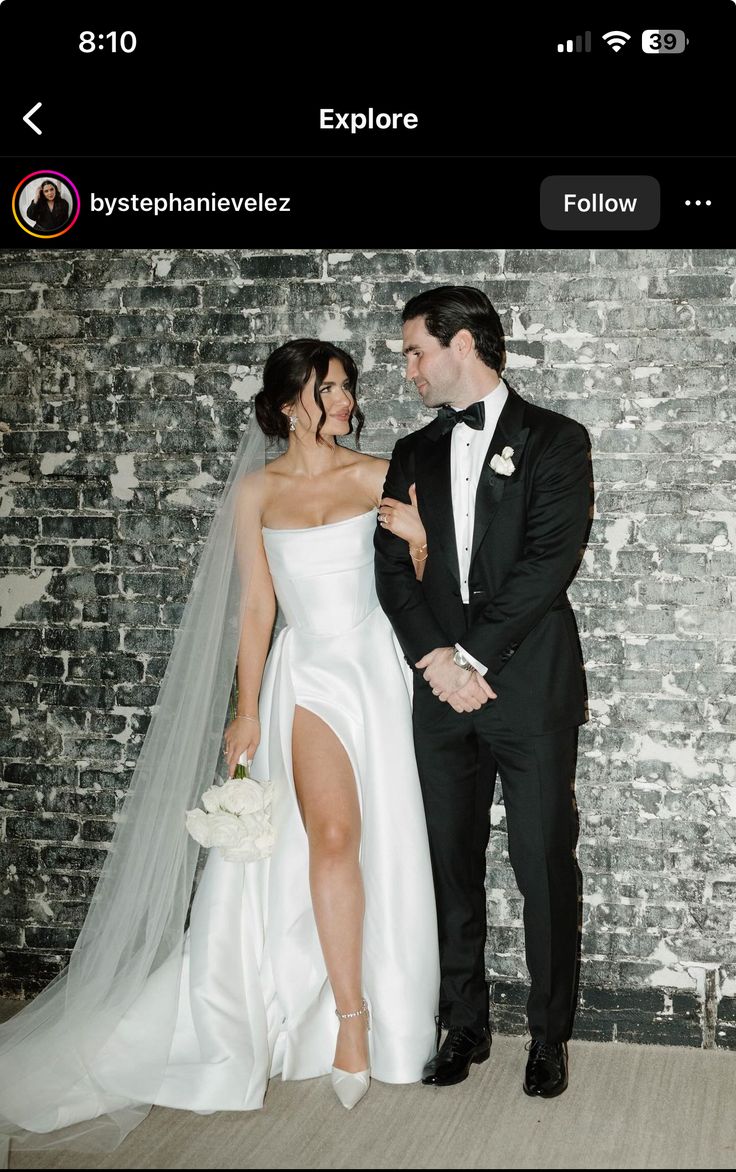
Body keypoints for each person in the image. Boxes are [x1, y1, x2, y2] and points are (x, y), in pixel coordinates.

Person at [0, 339, 439, 1160]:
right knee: (332, 838)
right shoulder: (256, 492)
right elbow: (256, 613)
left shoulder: (381, 471)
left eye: (346, 387)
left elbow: (427, 578)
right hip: (308, 675)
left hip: (380, 674)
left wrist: (417, 535)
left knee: (384, 845)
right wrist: (246, 709)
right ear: (284, 406)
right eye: (327, 390)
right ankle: (352, 1021)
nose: (343, 401)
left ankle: (382, 998)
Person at [374, 286, 592, 1098]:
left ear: (462, 344)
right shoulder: (409, 452)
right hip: (439, 691)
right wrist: (437, 661)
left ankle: (549, 1036)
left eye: (414, 352)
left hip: (529, 687)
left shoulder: (558, 440)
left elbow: (547, 564)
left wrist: (469, 655)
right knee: (448, 865)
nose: (408, 371)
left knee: (541, 863)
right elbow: (391, 570)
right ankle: (463, 1024)